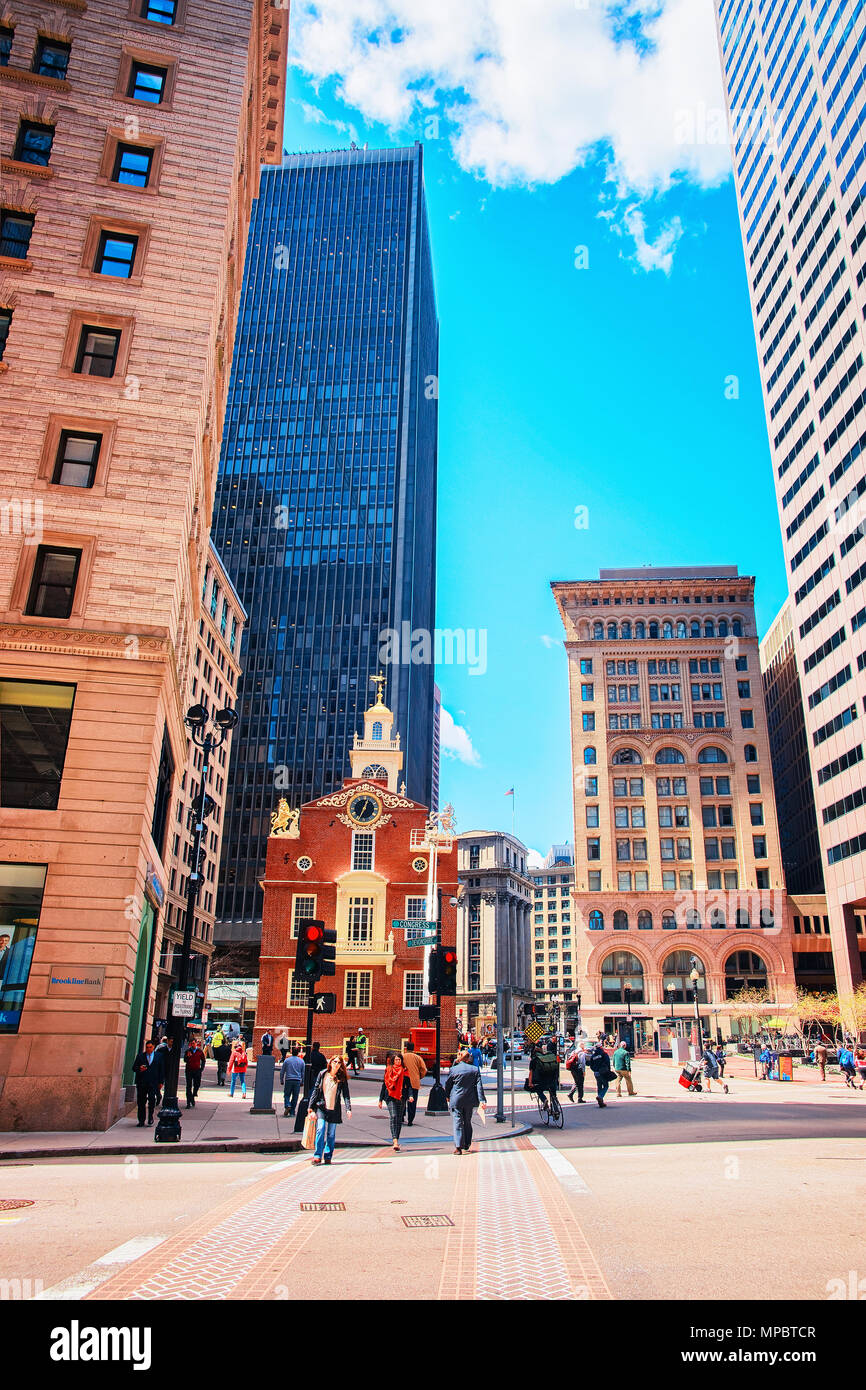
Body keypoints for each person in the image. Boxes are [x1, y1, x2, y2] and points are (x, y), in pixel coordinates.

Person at [308, 1055, 352, 1164]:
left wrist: (348, 1108)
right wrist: (310, 1106)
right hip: (322, 1106)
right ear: (330, 1062)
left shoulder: (342, 1078)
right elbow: (316, 1091)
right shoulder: (323, 1074)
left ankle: (328, 1155)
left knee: (331, 1134)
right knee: (320, 1129)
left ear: (341, 1065)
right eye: (334, 1062)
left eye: (339, 1063)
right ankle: (317, 1155)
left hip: (334, 1109)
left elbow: (346, 1095)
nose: (336, 1064)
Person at [444, 1047, 486, 1154]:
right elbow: (479, 1086)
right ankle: (467, 1143)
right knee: (467, 1121)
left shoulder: (454, 1069)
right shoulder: (474, 1069)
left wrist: (447, 1095)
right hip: (470, 1100)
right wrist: (482, 1100)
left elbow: (448, 1084)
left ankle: (458, 1146)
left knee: (457, 1121)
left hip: (456, 1099)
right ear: (468, 1059)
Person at [379, 1052, 412, 1151]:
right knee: (393, 1116)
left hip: (401, 1097)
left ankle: (396, 1139)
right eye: (396, 1060)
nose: (398, 1061)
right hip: (390, 1096)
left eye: (399, 1060)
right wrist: (380, 1099)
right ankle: (395, 1140)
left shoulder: (405, 1071)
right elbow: (384, 1085)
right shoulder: (389, 1070)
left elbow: (409, 1086)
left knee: (398, 1119)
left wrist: (410, 1095)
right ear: (393, 1061)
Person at [131, 1040, 162, 1126]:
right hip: (142, 1082)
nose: (148, 1049)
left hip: (153, 1083)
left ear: (154, 1047)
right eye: (147, 1047)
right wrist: (139, 1068)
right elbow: (134, 1068)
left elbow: (161, 1070)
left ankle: (150, 1117)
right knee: (141, 1102)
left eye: (150, 1047)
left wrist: (160, 1082)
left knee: (152, 1100)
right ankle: (141, 1120)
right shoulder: (140, 1056)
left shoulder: (159, 1056)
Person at [530, 1035, 560, 1112]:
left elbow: (531, 1073)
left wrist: (530, 1083)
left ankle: (544, 1100)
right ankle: (556, 1111)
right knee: (553, 1095)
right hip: (552, 1079)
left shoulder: (534, 1060)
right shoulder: (549, 1056)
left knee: (539, 1090)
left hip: (542, 1081)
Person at [402, 1040, 428, 1125]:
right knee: (412, 1102)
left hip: (403, 1082)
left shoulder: (402, 1057)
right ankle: (410, 1120)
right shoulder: (418, 1058)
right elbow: (424, 1070)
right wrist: (419, 1076)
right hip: (414, 1082)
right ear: (413, 1049)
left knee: (402, 1100)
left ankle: (401, 1116)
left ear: (406, 1048)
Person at [280, 1042, 305, 1117]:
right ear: (298, 1053)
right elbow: (303, 1073)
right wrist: (302, 1081)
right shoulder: (301, 1061)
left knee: (287, 1094)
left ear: (291, 1052)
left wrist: (281, 1080)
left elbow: (282, 1071)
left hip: (288, 1080)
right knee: (295, 1096)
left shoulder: (287, 1060)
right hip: (297, 1080)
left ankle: (287, 1104)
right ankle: (292, 1111)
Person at [587, 1041, 613, 1107]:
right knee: (606, 1086)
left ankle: (600, 1102)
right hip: (603, 1072)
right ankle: (600, 1096)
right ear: (601, 1047)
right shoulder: (604, 1054)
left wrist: (595, 1070)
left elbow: (591, 1065)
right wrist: (608, 1071)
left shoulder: (593, 1056)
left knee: (599, 1086)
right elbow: (607, 1063)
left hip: (596, 1073)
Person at [184, 1036, 206, 1107]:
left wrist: (201, 1068)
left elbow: (203, 1060)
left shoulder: (199, 1051)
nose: (192, 1045)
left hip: (197, 1070)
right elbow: (185, 1060)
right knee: (188, 1086)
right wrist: (187, 1057)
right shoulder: (188, 1051)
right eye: (191, 1043)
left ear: (196, 1043)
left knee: (197, 1084)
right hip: (189, 1070)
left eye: (194, 1043)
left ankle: (194, 1094)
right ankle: (188, 1102)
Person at [565, 1037, 586, 1103]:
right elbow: (582, 1063)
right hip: (578, 1069)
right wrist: (583, 1071)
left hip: (573, 1069)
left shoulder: (574, 1051)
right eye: (583, 1045)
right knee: (580, 1083)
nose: (584, 1046)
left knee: (576, 1082)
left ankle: (571, 1094)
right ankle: (580, 1098)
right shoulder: (582, 1053)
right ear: (581, 1045)